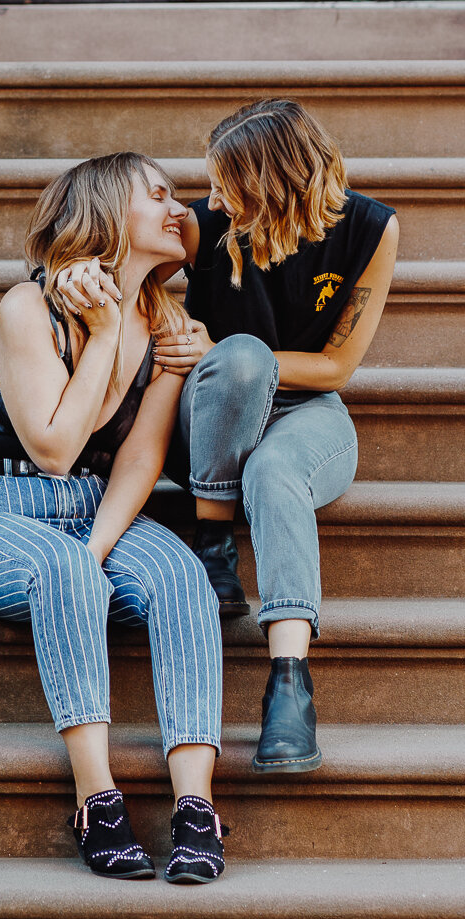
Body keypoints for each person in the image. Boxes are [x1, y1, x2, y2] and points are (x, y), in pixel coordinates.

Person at [61, 100, 396, 774]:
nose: (207, 201)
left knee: (273, 467)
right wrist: (72, 277)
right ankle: (212, 542)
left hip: (308, 414)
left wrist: (219, 343)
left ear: (272, 186)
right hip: (210, 416)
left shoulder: (371, 227)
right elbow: (125, 276)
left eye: (224, 187)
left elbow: (336, 365)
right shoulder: (204, 226)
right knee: (240, 361)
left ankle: (289, 687)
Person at [0, 153, 226, 883]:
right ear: (105, 212)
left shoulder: (168, 320)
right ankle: (97, 800)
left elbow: (138, 460)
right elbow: (58, 449)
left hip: (97, 513)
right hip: (0, 508)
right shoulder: (27, 308)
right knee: (65, 567)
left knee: (184, 576)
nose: (179, 209)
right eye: (156, 195)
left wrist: (97, 549)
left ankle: (196, 808)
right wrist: (101, 334)